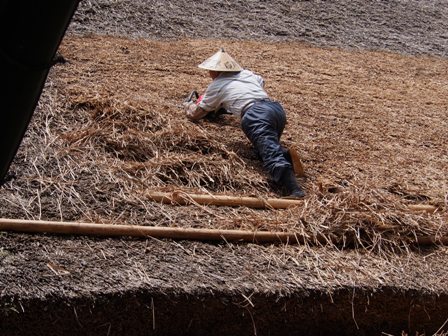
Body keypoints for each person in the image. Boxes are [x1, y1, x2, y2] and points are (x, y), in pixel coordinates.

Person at [183, 48, 305, 198]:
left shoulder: (217, 84)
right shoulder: (247, 74)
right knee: (263, 148)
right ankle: (287, 155)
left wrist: (188, 105)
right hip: (275, 109)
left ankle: (295, 190)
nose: (209, 74)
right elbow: (261, 81)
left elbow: (196, 114)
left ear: (216, 71)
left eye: (210, 71)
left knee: (270, 154)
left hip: (255, 114)